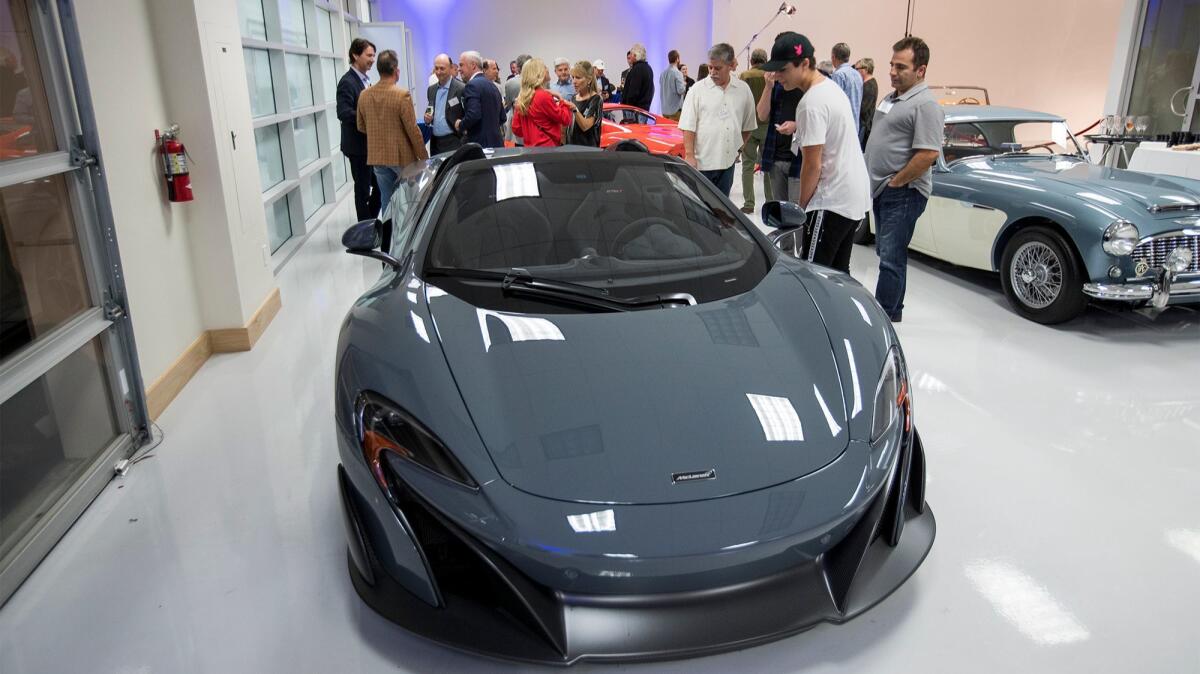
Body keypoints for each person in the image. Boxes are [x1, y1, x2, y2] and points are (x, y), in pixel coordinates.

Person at [760, 32, 870, 274]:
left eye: (783, 70)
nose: (777, 77)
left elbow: (812, 165)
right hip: (852, 197)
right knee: (838, 274)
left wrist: (799, 209)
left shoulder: (810, 102)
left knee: (812, 276)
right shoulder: (829, 88)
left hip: (832, 200)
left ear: (805, 64)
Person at [865, 36, 943, 322]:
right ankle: (893, 310)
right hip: (883, 189)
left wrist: (897, 181)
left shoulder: (925, 105)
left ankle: (883, 316)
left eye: (901, 67)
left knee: (891, 257)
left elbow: (928, 154)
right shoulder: (891, 98)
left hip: (902, 191)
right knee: (887, 253)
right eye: (891, 65)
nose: (893, 72)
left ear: (920, 70)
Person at [356, 49, 428, 222]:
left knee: (387, 200)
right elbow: (413, 130)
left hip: (378, 158)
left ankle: (389, 240)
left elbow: (360, 126)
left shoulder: (364, 95)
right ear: (396, 70)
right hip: (402, 158)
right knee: (408, 201)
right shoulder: (401, 95)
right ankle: (407, 241)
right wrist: (424, 157)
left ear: (379, 70)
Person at [677, 43, 757, 196]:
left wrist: (737, 150)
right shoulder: (697, 90)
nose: (713, 72)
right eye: (710, 67)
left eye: (718, 68)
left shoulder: (743, 90)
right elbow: (688, 126)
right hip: (701, 164)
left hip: (727, 165)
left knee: (722, 211)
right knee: (701, 211)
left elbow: (748, 125)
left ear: (730, 66)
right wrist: (689, 156)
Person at [337, 37, 379, 220]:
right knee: (362, 189)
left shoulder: (365, 80)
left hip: (369, 145)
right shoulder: (347, 82)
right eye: (369, 55)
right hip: (357, 147)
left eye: (374, 56)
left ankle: (370, 222)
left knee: (378, 186)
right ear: (355, 55)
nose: (372, 59)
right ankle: (365, 230)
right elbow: (343, 112)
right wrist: (368, 117)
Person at [757, 63, 804, 203]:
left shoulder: (806, 87)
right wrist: (768, 87)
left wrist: (796, 126)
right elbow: (761, 115)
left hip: (800, 159)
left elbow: (818, 120)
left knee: (797, 212)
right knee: (780, 209)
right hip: (776, 157)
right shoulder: (776, 86)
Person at [737, 48, 771, 213]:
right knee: (768, 167)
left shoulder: (745, 76)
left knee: (747, 165)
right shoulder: (771, 75)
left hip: (749, 126)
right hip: (767, 126)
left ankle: (749, 204)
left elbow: (739, 101)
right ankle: (770, 203)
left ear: (752, 61)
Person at [512, 58, 573, 147]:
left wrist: (531, 132)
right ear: (538, 73)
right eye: (544, 67)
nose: (547, 69)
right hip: (547, 148)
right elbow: (565, 119)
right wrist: (561, 100)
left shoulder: (522, 97)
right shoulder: (542, 96)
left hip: (529, 147)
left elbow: (516, 129)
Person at [456, 50, 507, 148]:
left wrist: (460, 124)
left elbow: (473, 114)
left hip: (480, 147)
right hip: (497, 145)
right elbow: (502, 117)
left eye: (461, 65)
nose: (459, 69)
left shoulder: (472, 86)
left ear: (473, 65)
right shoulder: (493, 85)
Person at [425, 53, 465, 155]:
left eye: (442, 68)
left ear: (451, 68)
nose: (438, 72)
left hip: (454, 141)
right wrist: (427, 118)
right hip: (435, 143)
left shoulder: (461, 88)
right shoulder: (431, 90)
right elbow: (430, 108)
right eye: (436, 68)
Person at [566, 61, 603, 147]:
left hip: (587, 150)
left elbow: (585, 126)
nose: (574, 81)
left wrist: (575, 109)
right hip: (571, 147)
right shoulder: (573, 98)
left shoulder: (596, 99)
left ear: (589, 80)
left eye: (578, 78)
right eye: (573, 77)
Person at [829, 43, 863, 135]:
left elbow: (835, 102)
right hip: (855, 125)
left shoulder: (838, 75)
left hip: (842, 126)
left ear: (833, 57)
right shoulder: (857, 74)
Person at [504, 54, 532, 144]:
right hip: (534, 124)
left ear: (518, 68)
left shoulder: (510, 83)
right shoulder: (540, 81)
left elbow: (508, 105)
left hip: (517, 124)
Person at [622, 43, 654, 112]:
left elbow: (633, 92)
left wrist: (627, 107)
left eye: (631, 54)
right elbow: (652, 90)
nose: (629, 56)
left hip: (635, 111)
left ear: (635, 56)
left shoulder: (637, 69)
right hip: (644, 109)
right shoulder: (648, 68)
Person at [855, 57, 878, 148]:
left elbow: (863, 109)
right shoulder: (867, 83)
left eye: (857, 69)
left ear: (865, 69)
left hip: (864, 126)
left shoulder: (869, 86)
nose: (855, 71)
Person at [659, 49, 686, 121]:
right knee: (676, 132)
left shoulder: (662, 74)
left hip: (664, 110)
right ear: (677, 59)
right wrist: (684, 84)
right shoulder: (678, 73)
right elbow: (681, 91)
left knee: (667, 131)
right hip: (675, 111)